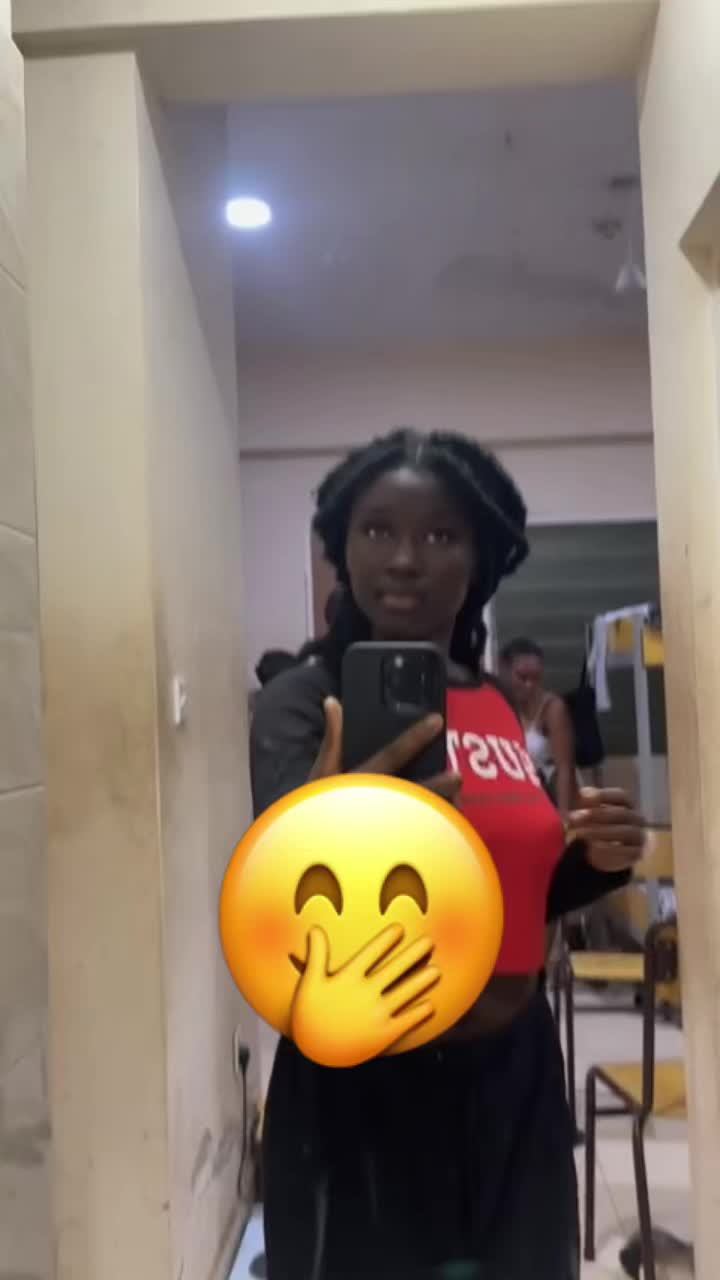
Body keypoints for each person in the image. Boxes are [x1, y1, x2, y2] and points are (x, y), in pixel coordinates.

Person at [249, 428, 645, 1280]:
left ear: (481, 561)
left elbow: (513, 891)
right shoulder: (306, 703)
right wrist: (346, 822)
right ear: (343, 549)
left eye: (440, 535)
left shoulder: (500, 703)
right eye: (377, 530)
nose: (404, 559)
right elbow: (282, 912)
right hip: (365, 1080)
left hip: (516, 1073)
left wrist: (595, 864)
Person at [500, 637, 579, 814]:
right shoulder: (497, 705)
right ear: (504, 671)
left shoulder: (552, 708)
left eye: (536, 678)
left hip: (544, 801)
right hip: (509, 800)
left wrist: (564, 817)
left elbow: (565, 769)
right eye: (522, 677)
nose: (529, 685)